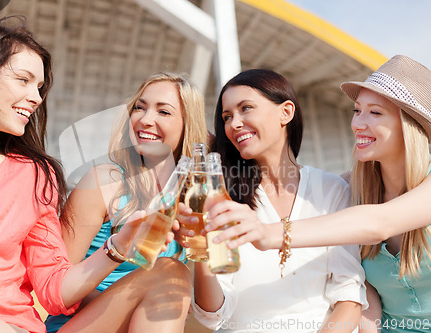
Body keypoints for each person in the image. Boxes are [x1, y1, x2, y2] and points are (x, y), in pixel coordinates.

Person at [0, 17, 191, 333]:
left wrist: (117, 247)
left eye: (39, 87)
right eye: (23, 80)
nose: (37, 98)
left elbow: (54, 290)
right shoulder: (105, 179)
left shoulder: (33, 176)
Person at [205, 56, 431, 332]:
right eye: (357, 111)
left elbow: (379, 223)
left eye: (374, 112)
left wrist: (268, 233)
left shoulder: (364, 204)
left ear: (410, 125)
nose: (357, 123)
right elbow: (366, 297)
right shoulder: (353, 190)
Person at [178, 69, 367, 332]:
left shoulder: (331, 190)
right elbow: (212, 314)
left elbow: (349, 298)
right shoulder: (222, 198)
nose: (233, 124)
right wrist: (199, 251)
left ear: (286, 112)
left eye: (246, 108)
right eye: (227, 117)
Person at [44, 71, 208, 332]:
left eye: (163, 112)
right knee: (171, 272)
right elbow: (55, 286)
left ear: (188, 125)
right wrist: (139, 301)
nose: (145, 119)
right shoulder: (105, 181)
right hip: (74, 325)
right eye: (139, 108)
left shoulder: (191, 202)